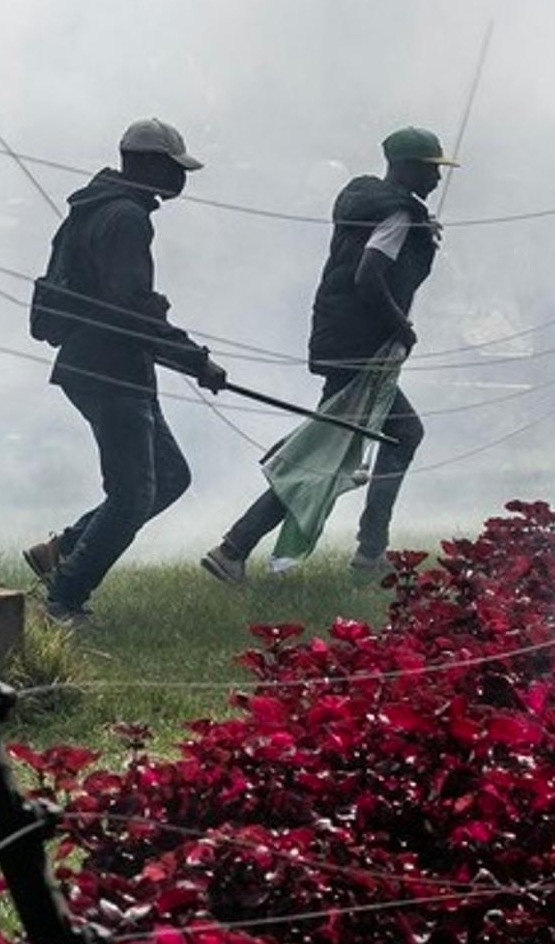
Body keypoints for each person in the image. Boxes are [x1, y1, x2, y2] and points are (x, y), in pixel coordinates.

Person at [203, 126, 451, 581]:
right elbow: (369, 276)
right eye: (431, 169)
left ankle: (238, 548)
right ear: (408, 167)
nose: (437, 180)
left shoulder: (371, 203)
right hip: (360, 349)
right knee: (378, 440)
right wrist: (401, 325)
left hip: (342, 341)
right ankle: (364, 552)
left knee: (327, 449)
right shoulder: (397, 213)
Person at [22, 119, 229, 624]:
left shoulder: (96, 206)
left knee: (171, 477)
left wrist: (181, 356)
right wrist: (194, 360)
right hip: (110, 370)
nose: (180, 180)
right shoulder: (126, 217)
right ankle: (63, 599)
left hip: (103, 365)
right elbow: (132, 307)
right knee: (134, 493)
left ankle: (63, 548)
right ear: (150, 165)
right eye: (175, 169)